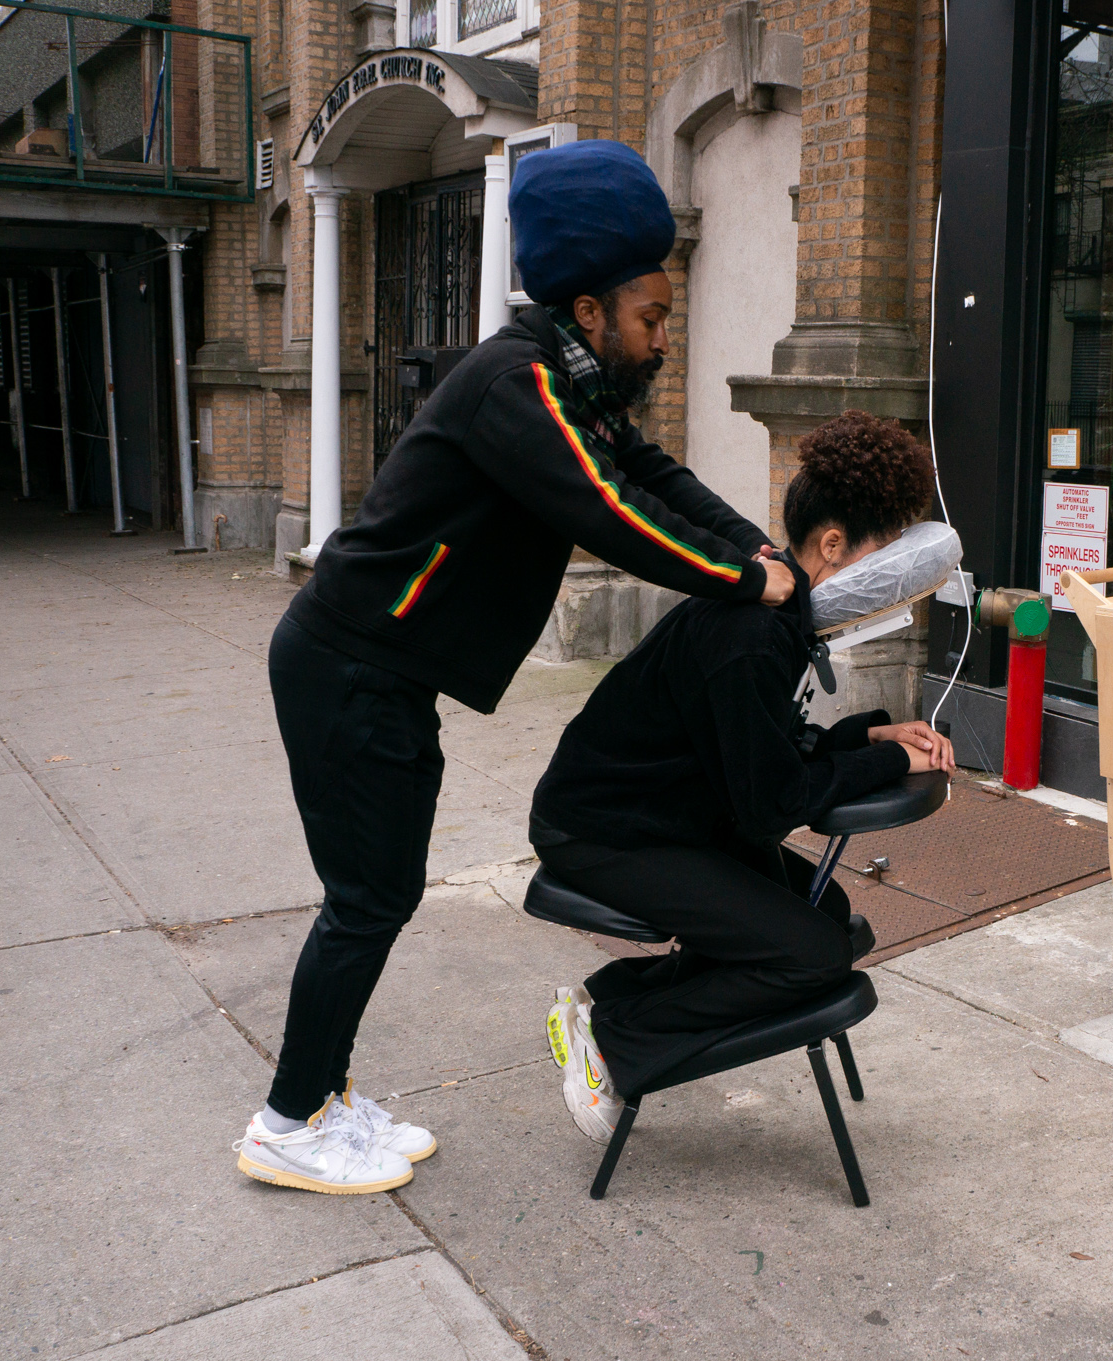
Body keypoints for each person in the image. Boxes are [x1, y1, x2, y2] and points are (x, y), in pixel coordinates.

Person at [235, 140, 796, 1196]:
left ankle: (324, 1093)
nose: (662, 337)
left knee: (374, 895)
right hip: (348, 666)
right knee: (366, 900)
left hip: (380, 673)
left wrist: (757, 550)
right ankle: (286, 1120)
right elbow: (609, 512)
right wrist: (742, 581)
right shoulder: (515, 384)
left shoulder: (570, 383)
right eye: (651, 317)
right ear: (589, 311)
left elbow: (649, 470)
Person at [530, 411, 955, 1141]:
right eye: (884, 552)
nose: (894, 574)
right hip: (607, 830)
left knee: (827, 923)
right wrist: (887, 760)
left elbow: (763, 749)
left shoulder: (779, 607)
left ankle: (599, 1002)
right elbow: (770, 803)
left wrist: (867, 732)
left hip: (679, 811)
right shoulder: (752, 633)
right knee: (813, 955)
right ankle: (617, 1046)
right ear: (832, 545)